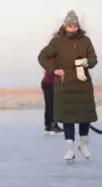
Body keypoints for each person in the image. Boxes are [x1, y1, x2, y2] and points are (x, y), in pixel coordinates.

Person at [38, 10, 98, 161]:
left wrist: (87, 62)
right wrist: (53, 70)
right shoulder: (57, 42)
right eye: (70, 26)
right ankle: (70, 149)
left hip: (83, 84)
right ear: (65, 26)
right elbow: (42, 56)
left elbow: (94, 59)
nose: (72, 29)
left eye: (75, 26)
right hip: (65, 85)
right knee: (68, 117)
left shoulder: (86, 41)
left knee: (85, 114)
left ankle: (83, 143)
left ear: (78, 26)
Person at [41, 56, 64, 135]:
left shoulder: (54, 58)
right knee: (52, 105)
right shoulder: (54, 59)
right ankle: (52, 125)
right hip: (49, 84)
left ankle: (49, 125)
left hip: (49, 84)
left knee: (51, 105)